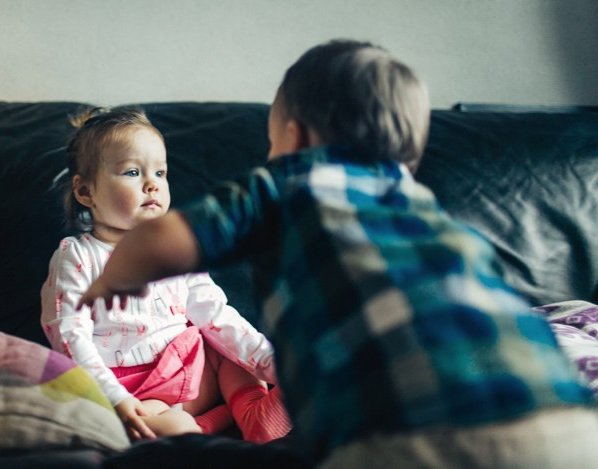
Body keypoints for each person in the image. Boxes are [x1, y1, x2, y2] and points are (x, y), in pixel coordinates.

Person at [77, 40, 598, 467]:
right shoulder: (425, 208)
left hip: (400, 427)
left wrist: (114, 277)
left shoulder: (289, 181)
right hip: (559, 417)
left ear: (294, 136)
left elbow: (163, 238)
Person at [41, 106, 292, 443]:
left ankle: (252, 412)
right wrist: (116, 399)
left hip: (189, 368)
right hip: (134, 390)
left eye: (160, 173)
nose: (151, 185)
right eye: (132, 172)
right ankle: (204, 425)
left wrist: (273, 364)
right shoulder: (79, 256)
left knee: (228, 349)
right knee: (174, 430)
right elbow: (69, 334)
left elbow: (216, 316)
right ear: (86, 192)